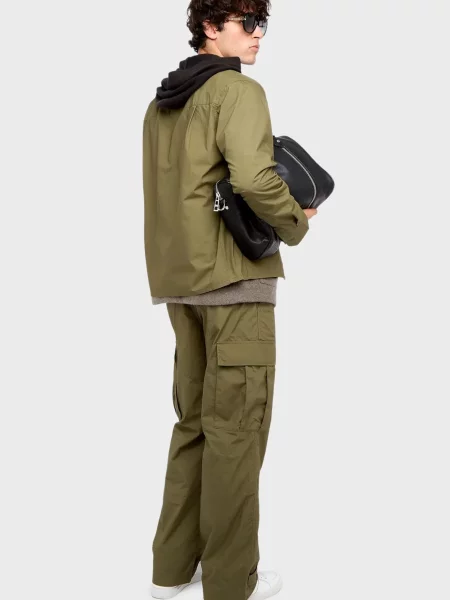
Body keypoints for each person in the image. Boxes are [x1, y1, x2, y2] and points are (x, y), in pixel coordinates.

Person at [142, 2, 317, 599]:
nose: (258, 35)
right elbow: (253, 178)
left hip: (179, 282)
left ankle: (172, 571)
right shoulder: (237, 92)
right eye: (246, 23)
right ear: (211, 28)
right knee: (237, 433)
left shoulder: (161, 103)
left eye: (261, 23)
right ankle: (229, 582)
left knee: (193, 423)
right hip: (233, 282)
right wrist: (297, 221)